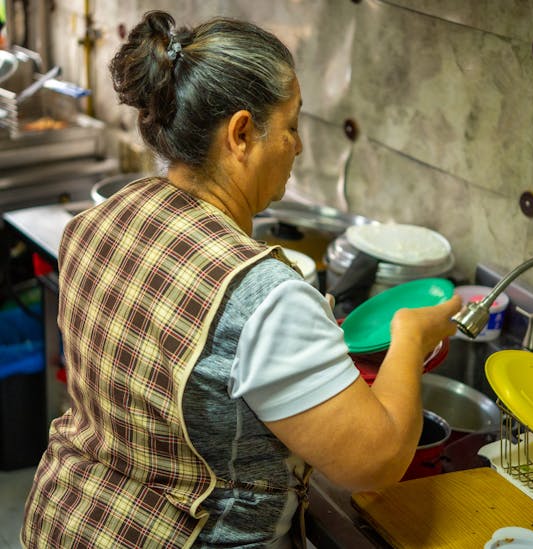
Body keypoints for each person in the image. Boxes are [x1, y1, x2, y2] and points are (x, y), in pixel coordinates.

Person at [21, 10, 461, 549]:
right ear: (242, 133)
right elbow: (377, 459)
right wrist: (411, 333)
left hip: (66, 521)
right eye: (293, 125)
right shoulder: (265, 298)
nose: (298, 146)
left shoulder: (102, 219)